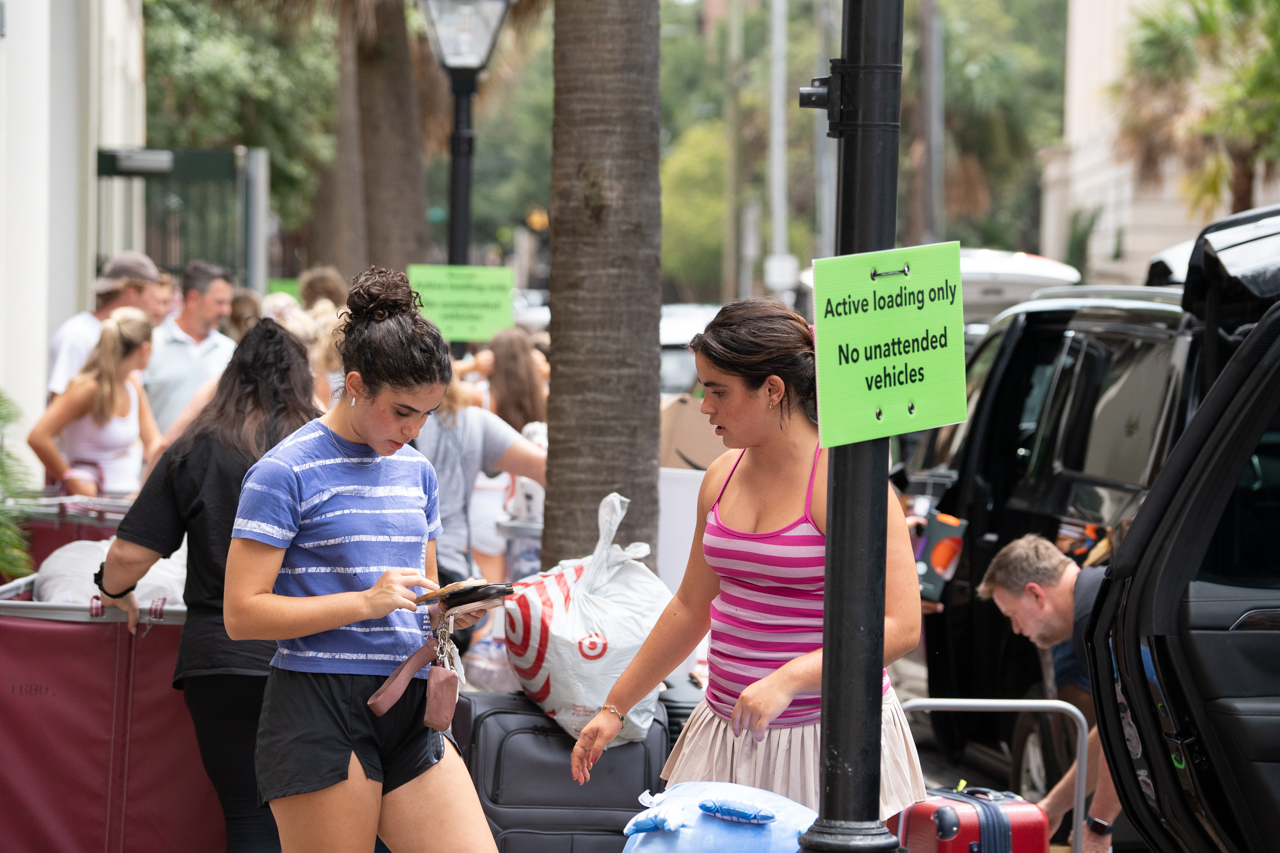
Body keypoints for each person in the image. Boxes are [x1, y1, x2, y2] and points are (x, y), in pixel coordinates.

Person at [570, 299, 927, 817]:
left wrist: (790, 678)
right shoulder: (720, 475)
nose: (704, 406)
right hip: (728, 728)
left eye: (718, 390)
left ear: (773, 389)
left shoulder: (846, 481)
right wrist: (614, 706)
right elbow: (692, 607)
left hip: (825, 738)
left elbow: (900, 626)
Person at [223, 268, 495, 853]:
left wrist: (449, 611)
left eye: (427, 414)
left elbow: (420, 595)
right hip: (317, 704)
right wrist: (364, 602)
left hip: (410, 697)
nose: (414, 429)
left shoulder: (416, 471)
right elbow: (242, 615)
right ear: (354, 384)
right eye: (402, 412)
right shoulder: (282, 471)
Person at [95, 319, 318, 852]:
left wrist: (112, 589)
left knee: (246, 814)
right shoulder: (321, 446)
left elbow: (129, 553)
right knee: (317, 819)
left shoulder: (196, 446)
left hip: (219, 660)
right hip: (309, 657)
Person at [977, 534, 1120, 853]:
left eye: (1012, 614)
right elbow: (1114, 727)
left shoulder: (1093, 618)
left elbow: (1130, 727)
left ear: (1035, 594)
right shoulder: (1099, 593)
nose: (1016, 629)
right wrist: (1053, 807)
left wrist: (1098, 825)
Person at [28, 307, 161, 497]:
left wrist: (144, 489)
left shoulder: (132, 385)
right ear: (145, 348)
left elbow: (154, 443)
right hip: (89, 508)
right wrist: (74, 484)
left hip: (124, 500)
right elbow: (38, 437)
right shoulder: (87, 388)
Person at [468, 328, 549, 585]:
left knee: (487, 598)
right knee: (522, 594)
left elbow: (442, 392)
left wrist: (469, 367)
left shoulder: (477, 395)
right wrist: (547, 372)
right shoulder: (543, 396)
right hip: (526, 504)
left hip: (483, 499)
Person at [48, 251, 167, 398]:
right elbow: (58, 403)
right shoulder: (76, 335)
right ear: (131, 292)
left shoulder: (132, 335)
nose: (155, 306)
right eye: (152, 296)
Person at [143, 259, 237, 433]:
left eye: (227, 303)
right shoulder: (150, 345)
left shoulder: (230, 351)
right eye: (219, 302)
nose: (227, 311)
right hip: (158, 459)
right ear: (193, 298)